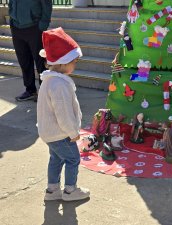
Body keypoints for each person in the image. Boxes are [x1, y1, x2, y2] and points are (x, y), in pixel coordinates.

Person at [37, 27, 90, 201]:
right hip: (61, 133)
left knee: (56, 159)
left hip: (49, 132)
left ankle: (52, 190)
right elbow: (63, 113)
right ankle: (70, 191)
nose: (75, 65)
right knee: (73, 159)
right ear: (63, 62)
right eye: (73, 62)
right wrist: (73, 133)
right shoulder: (59, 85)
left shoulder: (50, 80)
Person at [9, 0, 52, 101]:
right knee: (24, 61)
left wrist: (43, 25)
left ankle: (44, 91)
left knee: (40, 60)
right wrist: (11, 16)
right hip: (16, 27)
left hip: (34, 27)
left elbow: (47, 3)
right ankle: (30, 90)